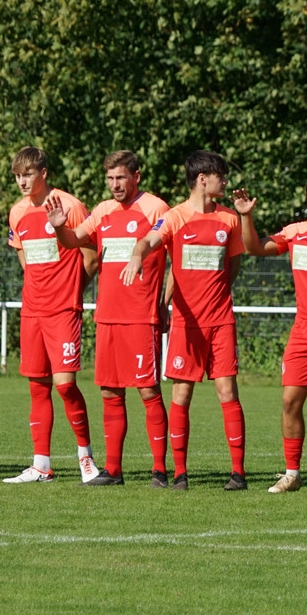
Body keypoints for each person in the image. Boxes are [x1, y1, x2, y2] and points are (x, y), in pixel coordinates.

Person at [121, 150, 248, 491]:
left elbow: (233, 264)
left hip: (220, 321)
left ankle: (238, 474)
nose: (226, 182)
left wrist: (217, 294)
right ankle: (179, 473)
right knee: (182, 393)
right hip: (185, 323)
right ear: (203, 179)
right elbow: (148, 240)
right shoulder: (175, 217)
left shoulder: (230, 219)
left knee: (227, 390)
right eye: (221, 176)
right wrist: (136, 256)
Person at [45, 150, 171, 487]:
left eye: (121, 178)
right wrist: (59, 228)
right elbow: (73, 240)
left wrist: (164, 302)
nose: (115, 185)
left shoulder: (156, 208)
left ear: (136, 177)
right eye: (110, 179)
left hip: (142, 315)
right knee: (110, 392)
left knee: (148, 391)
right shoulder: (102, 211)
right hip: (108, 316)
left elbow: (175, 255)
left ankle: (160, 470)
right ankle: (113, 471)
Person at [232, 166, 307, 495]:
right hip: (303, 329)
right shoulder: (295, 231)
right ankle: (292, 473)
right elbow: (254, 247)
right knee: (289, 401)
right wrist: (246, 216)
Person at [3, 146, 100, 484]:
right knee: (38, 386)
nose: (22, 181)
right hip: (33, 311)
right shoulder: (17, 212)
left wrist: (72, 290)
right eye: (17, 176)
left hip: (63, 310)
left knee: (66, 386)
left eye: (27, 174)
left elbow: (91, 257)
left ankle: (86, 458)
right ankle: (41, 464)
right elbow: (23, 256)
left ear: (43, 173)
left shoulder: (70, 206)